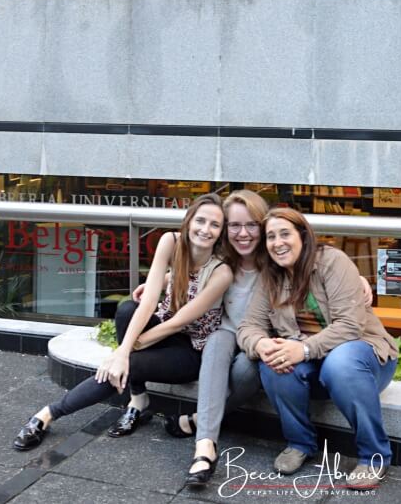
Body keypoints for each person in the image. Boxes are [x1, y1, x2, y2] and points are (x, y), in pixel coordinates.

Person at [134, 190, 375, 488]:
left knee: (253, 368)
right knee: (217, 343)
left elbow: (315, 265)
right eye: (234, 226)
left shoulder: (274, 260)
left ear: (262, 226)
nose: (243, 233)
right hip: (227, 332)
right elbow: (192, 267)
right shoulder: (221, 257)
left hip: (265, 341)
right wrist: (160, 282)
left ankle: (200, 419)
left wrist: (358, 280)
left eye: (251, 225)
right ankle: (205, 447)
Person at [12, 194, 232, 450]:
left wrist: (123, 352)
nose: (205, 229)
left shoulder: (222, 272)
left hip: (191, 349)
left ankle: (47, 414)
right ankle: (138, 399)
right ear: (188, 220)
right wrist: (124, 351)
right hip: (164, 326)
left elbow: (178, 323)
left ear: (221, 232)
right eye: (200, 220)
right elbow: (149, 301)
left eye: (214, 225)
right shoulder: (170, 241)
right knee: (127, 309)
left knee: (129, 365)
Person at [238, 208, 399, 491]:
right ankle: (299, 443)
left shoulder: (332, 262)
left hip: (362, 358)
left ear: (302, 235)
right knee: (273, 362)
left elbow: (350, 325)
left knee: (340, 363)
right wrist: (260, 343)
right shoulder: (270, 278)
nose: (278, 242)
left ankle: (374, 455)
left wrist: (304, 349)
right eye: (271, 237)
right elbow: (248, 327)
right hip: (314, 367)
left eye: (285, 233)